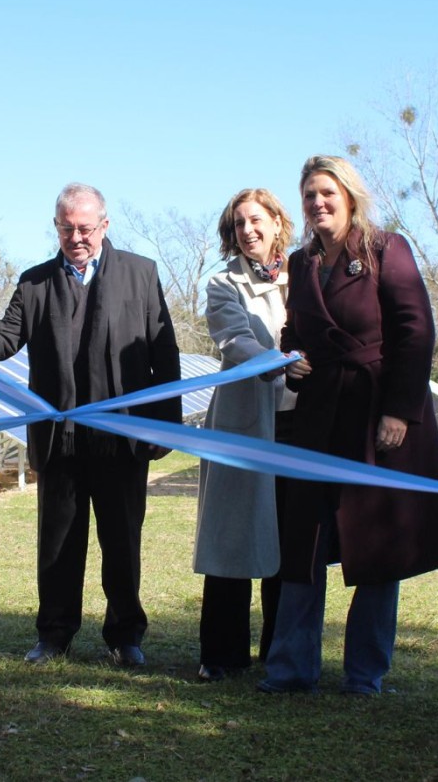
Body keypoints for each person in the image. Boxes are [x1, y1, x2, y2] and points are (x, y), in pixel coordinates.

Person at [0, 183, 181, 668]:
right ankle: (54, 635)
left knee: (122, 542)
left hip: (123, 439)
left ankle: (126, 636)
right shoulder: (34, 283)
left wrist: (163, 426)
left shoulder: (141, 274)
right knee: (59, 544)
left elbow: (162, 353)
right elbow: (3, 341)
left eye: (85, 228)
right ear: (56, 227)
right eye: (66, 228)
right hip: (60, 441)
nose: (76, 237)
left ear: (105, 225)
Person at [258, 155, 438, 695]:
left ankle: (364, 674)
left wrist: (400, 410)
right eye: (309, 197)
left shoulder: (385, 249)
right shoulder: (301, 264)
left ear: (349, 196)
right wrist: (292, 360)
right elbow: (295, 333)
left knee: (375, 546)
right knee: (304, 544)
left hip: (375, 415)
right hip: (317, 416)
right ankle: (291, 668)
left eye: (327, 193)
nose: (318, 204)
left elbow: (415, 331)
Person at [192, 188, 308, 682]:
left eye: (257, 220)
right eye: (239, 223)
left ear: (278, 223)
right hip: (244, 425)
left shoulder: (306, 275)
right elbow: (232, 337)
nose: (248, 230)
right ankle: (222, 655)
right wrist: (278, 364)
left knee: (291, 540)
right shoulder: (223, 283)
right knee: (233, 540)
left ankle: (280, 652)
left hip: (301, 426)